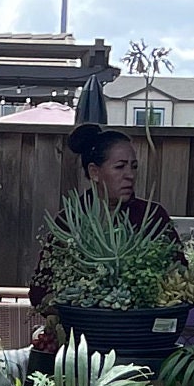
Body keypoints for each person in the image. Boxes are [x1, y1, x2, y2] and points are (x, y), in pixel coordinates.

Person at [28, 122, 183, 316]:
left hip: (143, 327)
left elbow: (181, 274)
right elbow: (39, 291)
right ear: (94, 172)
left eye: (134, 167)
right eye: (120, 167)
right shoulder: (71, 221)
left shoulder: (152, 217)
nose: (130, 175)